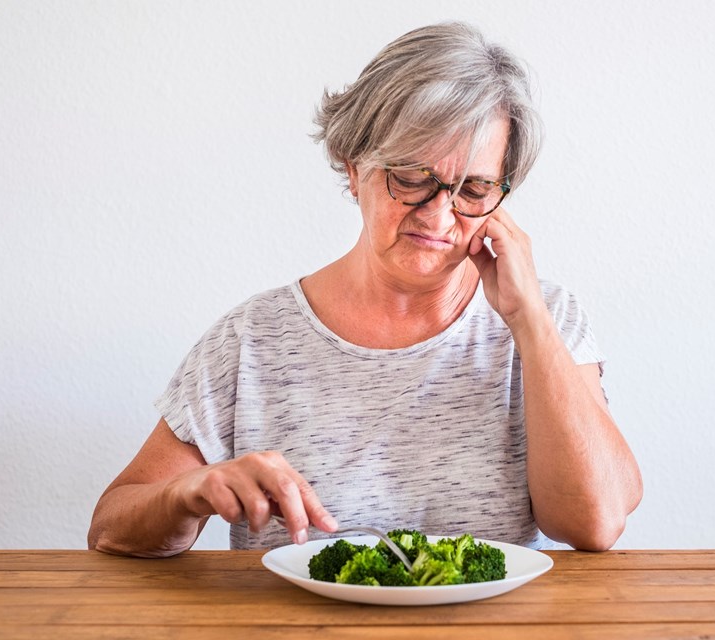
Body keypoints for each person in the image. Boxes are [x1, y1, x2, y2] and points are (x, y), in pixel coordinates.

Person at [88, 21, 642, 558]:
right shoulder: (253, 339)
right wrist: (190, 491)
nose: (440, 215)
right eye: (411, 178)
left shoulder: (548, 317)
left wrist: (529, 322)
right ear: (354, 169)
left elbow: (594, 524)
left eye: (473, 188)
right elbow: (112, 526)